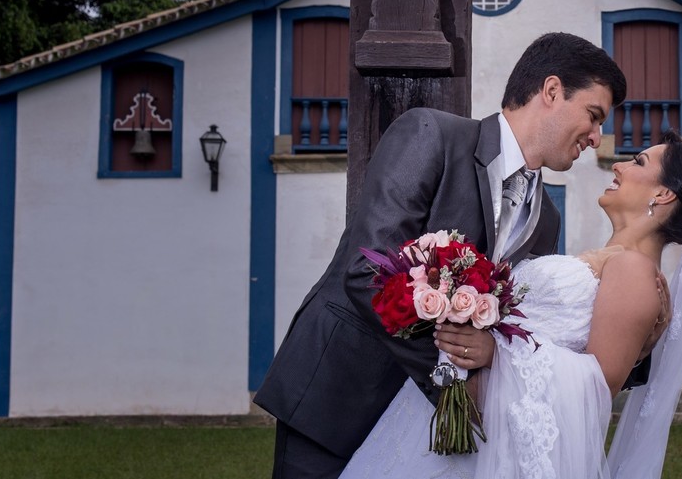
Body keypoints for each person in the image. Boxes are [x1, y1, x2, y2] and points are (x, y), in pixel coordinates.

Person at [253, 32, 629, 479]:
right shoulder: (431, 135)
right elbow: (366, 269)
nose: (597, 137)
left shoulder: (546, 219)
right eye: (593, 115)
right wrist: (453, 375)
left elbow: (513, 322)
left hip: (426, 435)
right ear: (551, 91)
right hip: (338, 395)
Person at [340, 132, 682, 479]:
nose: (619, 166)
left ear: (663, 193)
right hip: (470, 416)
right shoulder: (613, 262)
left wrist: (497, 353)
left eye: (638, 162)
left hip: (491, 438)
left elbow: (596, 387)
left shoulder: (635, 271)